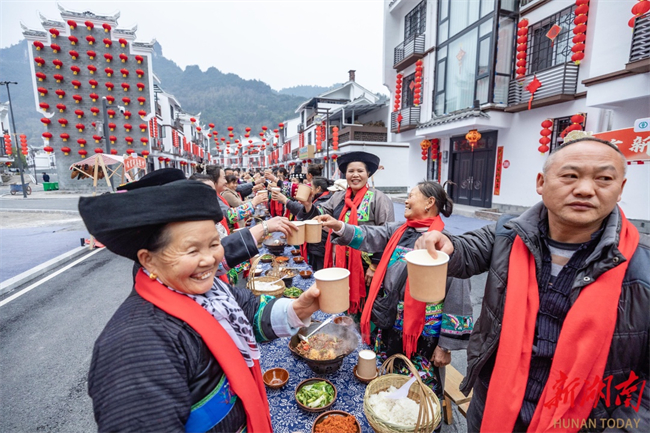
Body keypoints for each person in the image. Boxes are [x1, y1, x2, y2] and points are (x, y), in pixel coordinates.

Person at [415, 133, 649, 432]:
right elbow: (466, 250)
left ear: (621, 188)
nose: (585, 189)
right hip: (494, 403)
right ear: (541, 182)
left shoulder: (641, 269)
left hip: (588, 421)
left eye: (604, 178)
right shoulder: (509, 233)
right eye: (570, 176)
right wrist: (445, 244)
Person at [80, 179, 321, 432]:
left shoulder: (212, 292)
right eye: (192, 250)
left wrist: (299, 308)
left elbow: (249, 311)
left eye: (214, 244)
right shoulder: (134, 347)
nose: (210, 259)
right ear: (148, 260)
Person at [317, 180, 473, 420]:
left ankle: (420, 423)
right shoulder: (398, 230)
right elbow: (369, 234)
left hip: (424, 334)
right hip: (391, 322)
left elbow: (459, 295)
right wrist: (339, 226)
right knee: (389, 380)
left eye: (411, 196)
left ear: (430, 203)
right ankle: (388, 420)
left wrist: (445, 346)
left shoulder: (446, 244)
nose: (406, 200)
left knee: (418, 391)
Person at [297, 151, 395, 313]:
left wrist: (374, 265)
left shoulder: (379, 199)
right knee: (341, 298)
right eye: (351, 171)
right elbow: (321, 214)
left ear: (368, 174)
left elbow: (388, 233)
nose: (355, 175)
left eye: (360, 171)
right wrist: (308, 205)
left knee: (367, 304)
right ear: (345, 175)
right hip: (341, 259)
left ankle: (363, 328)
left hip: (366, 264)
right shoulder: (338, 197)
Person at [273, 176, 334, 271]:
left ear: (318, 188)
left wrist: (286, 200)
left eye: (311, 187)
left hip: (320, 244)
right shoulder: (319, 198)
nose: (310, 189)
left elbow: (307, 212)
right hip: (316, 245)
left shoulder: (323, 200)